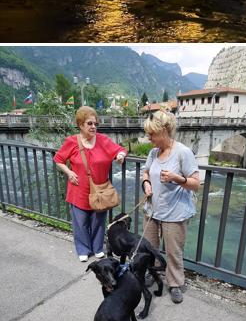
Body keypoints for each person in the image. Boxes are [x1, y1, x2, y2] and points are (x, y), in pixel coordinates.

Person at [141, 110, 199, 304]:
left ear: (164, 130)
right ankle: (153, 273)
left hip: (175, 212)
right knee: (149, 248)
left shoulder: (183, 152)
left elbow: (196, 184)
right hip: (152, 210)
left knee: (174, 251)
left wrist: (177, 178)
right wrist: (146, 184)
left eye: (152, 134)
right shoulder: (153, 152)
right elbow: (146, 172)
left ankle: (174, 284)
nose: (149, 138)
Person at [54, 106, 127, 262]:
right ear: (81, 125)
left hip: (100, 191)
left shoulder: (103, 140)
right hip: (78, 190)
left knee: (98, 222)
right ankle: (83, 249)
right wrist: (69, 172)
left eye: (95, 123)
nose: (93, 126)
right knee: (80, 223)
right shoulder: (72, 141)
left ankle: (97, 247)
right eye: (89, 123)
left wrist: (120, 155)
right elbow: (58, 159)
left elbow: (120, 149)